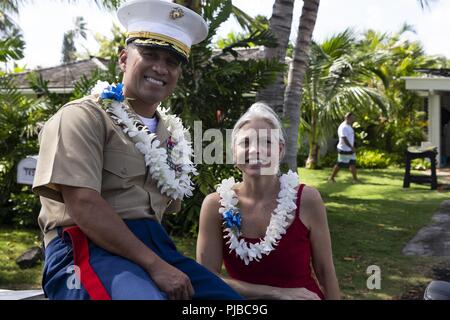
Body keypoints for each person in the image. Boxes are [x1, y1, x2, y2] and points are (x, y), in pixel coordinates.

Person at [32, 0, 242, 300]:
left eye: (172, 61)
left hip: (154, 247)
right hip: (83, 247)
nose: (161, 68)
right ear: (123, 59)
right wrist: (155, 266)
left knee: (232, 304)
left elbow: (160, 212)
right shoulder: (84, 116)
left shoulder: (171, 135)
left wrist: (157, 261)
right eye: (150, 54)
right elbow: (83, 204)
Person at [196, 102, 340, 300]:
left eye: (266, 142)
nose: (256, 150)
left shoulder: (306, 200)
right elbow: (206, 279)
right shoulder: (217, 205)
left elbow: (325, 271)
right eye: (246, 143)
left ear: (280, 150)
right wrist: (276, 293)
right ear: (233, 152)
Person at [328, 112, 359, 183]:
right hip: (344, 149)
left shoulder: (349, 126)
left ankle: (355, 179)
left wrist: (352, 147)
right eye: (352, 118)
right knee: (340, 164)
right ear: (347, 118)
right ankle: (331, 178)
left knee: (352, 163)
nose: (353, 119)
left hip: (350, 149)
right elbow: (344, 139)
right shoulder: (343, 127)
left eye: (353, 118)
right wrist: (351, 147)